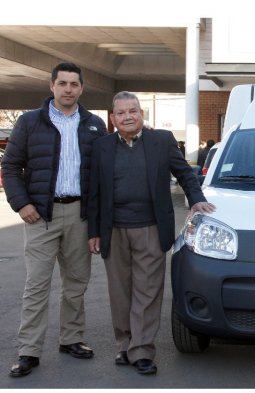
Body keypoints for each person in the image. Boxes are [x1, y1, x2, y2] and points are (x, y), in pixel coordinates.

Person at [87, 91, 216, 375]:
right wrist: (93, 231)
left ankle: (142, 349)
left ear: (141, 114)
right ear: (113, 118)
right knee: (120, 292)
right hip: (114, 230)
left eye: (133, 110)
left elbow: (184, 173)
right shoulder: (102, 147)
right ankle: (125, 344)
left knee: (147, 292)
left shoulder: (162, 141)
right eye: (121, 112)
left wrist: (196, 198)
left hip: (151, 228)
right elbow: (94, 192)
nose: (127, 116)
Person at [2, 62, 108, 377]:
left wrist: (97, 222)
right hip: (41, 216)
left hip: (79, 215)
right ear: (52, 86)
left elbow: (100, 177)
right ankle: (28, 351)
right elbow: (10, 167)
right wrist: (21, 204)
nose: (68, 89)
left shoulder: (94, 125)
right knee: (37, 284)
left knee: (76, 283)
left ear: (81, 88)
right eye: (62, 83)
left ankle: (71, 339)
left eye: (74, 84)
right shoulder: (30, 122)